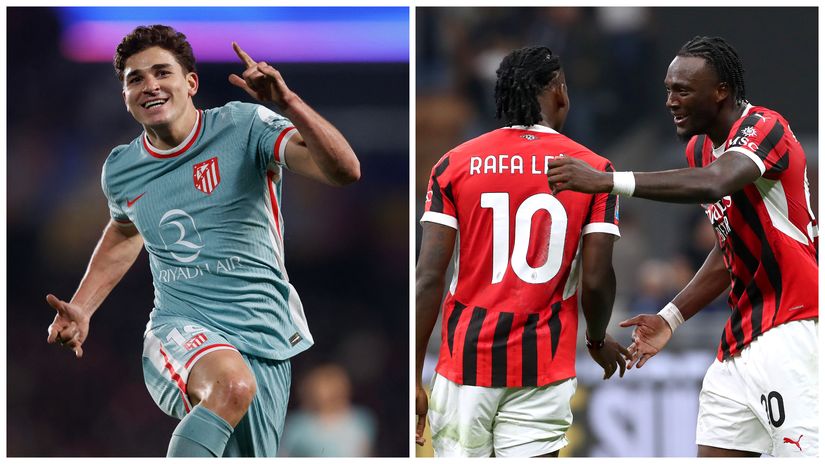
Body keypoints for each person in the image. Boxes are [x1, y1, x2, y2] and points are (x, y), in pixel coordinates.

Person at [44, 24, 360, 457]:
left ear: (190, 83)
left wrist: (288, 103)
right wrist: (82, 307)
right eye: (135, 79)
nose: (150, 85)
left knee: (239, 408)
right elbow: (125, 229)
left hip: (265, 334)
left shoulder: (245, 126)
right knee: (231, 385)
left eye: (162, 72)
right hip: (179, 327)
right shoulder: (121, 168)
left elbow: (344, 171)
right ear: (125, 96)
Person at [546, 36, 818, 457]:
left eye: (683, 91)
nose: (671, 101)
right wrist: (670, 317)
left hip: (795, 326)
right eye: (669, 89)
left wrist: (608, 181)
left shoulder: (765, 127)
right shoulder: (699, 149)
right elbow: (729, 249)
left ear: (721, 91)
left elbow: (716, 182)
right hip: (740, 341)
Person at [415, 46, 628, 458]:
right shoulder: (595, 170)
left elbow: (428, 276)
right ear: (559, 91)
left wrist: (413, 373)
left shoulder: (454, 164)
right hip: (542, 367)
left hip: (465, 365)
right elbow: (597, 277)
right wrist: (597, 339)